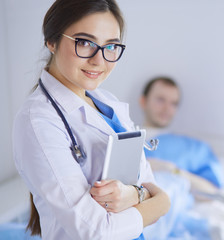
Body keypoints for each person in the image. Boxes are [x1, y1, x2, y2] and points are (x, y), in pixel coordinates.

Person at [12, 0, 170, 239]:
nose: (99, 60)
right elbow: (97, 231)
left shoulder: (107, 102)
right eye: (85, 43)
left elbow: (148, 183)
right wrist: (159, 201)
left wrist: (136, 195)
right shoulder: (38, 121)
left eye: (111, 46)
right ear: (51, 41)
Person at [139, 77, 224, 193]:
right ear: (143, 101)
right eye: (160, 100)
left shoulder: (193, 148)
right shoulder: (121, 137)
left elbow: (213, 193)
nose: (167, 108)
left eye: (173, 103)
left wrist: (172, 170)